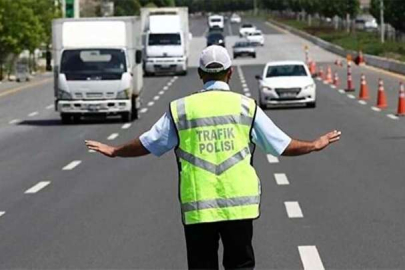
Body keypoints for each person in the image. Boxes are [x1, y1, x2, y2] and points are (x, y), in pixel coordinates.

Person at [85, 45, 341, 270]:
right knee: (240, 265)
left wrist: (115, 151)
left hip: (199, 206)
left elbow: (149, 143)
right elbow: (281, 145)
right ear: (229, 73)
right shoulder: (245, 106)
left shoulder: (182, 109)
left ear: (200, 75)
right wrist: (314, 144)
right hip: (239, 206)